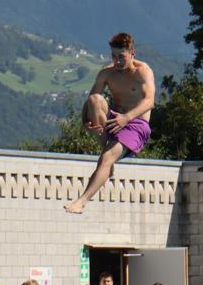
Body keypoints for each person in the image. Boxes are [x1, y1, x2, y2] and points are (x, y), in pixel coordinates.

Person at [65, 32, 155, 214]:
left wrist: (127, 118)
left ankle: (81, 202)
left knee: (106, 159)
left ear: (132, 53)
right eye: (113, 56)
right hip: (114, 121)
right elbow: (91, 98)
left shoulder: (142, 72)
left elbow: (149, 101)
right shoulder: (107, 73)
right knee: (95, 100)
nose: (117, 61)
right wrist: (84, 121)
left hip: (135, 125)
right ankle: (107, 158)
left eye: (121, 56)